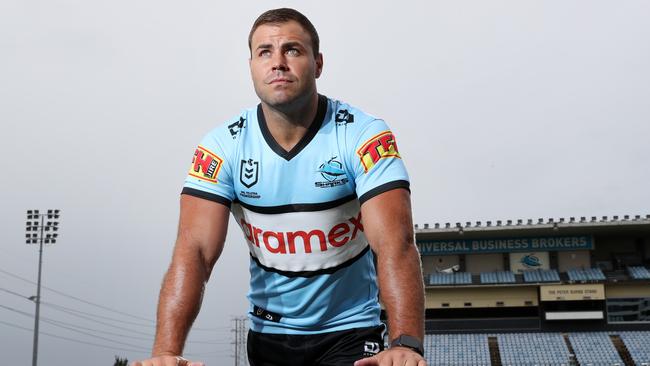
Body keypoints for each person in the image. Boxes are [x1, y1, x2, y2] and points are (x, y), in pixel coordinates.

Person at [132, 8, 426, 366]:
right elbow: (194, 251)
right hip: (269, 335)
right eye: (264, 52)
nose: (278, 63)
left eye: (293, 50)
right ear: (252, 66)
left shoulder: (363, 135)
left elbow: (395, 244)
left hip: (351, 332)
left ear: (318, 64)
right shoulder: (221, 147)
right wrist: (165, 353)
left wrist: (406, 343)